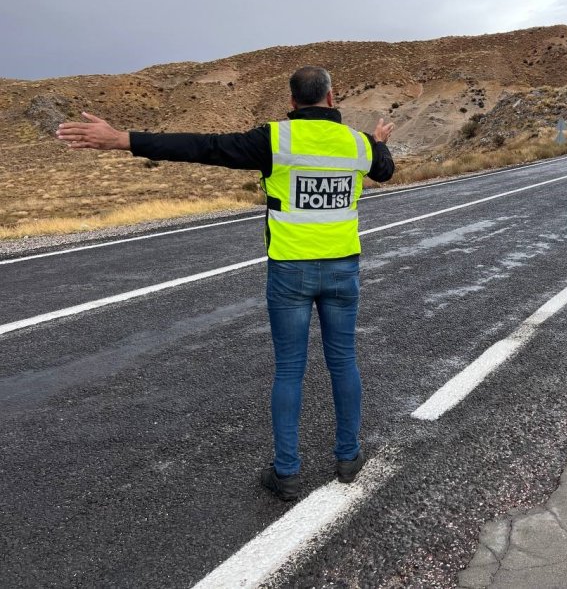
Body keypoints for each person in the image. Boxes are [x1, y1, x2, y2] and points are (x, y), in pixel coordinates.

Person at [57, 66, 394, 501]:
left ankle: (287, 473)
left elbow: (204, 147)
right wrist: (378, 141)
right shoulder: (358, 144)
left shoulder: (275, 139)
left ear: (292, 103)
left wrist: (123, 139)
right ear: (332, 98)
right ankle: (348, 459)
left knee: (290, 370)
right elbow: (383, 170)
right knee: (343, 362)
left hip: (290, 271)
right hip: (343, 269)